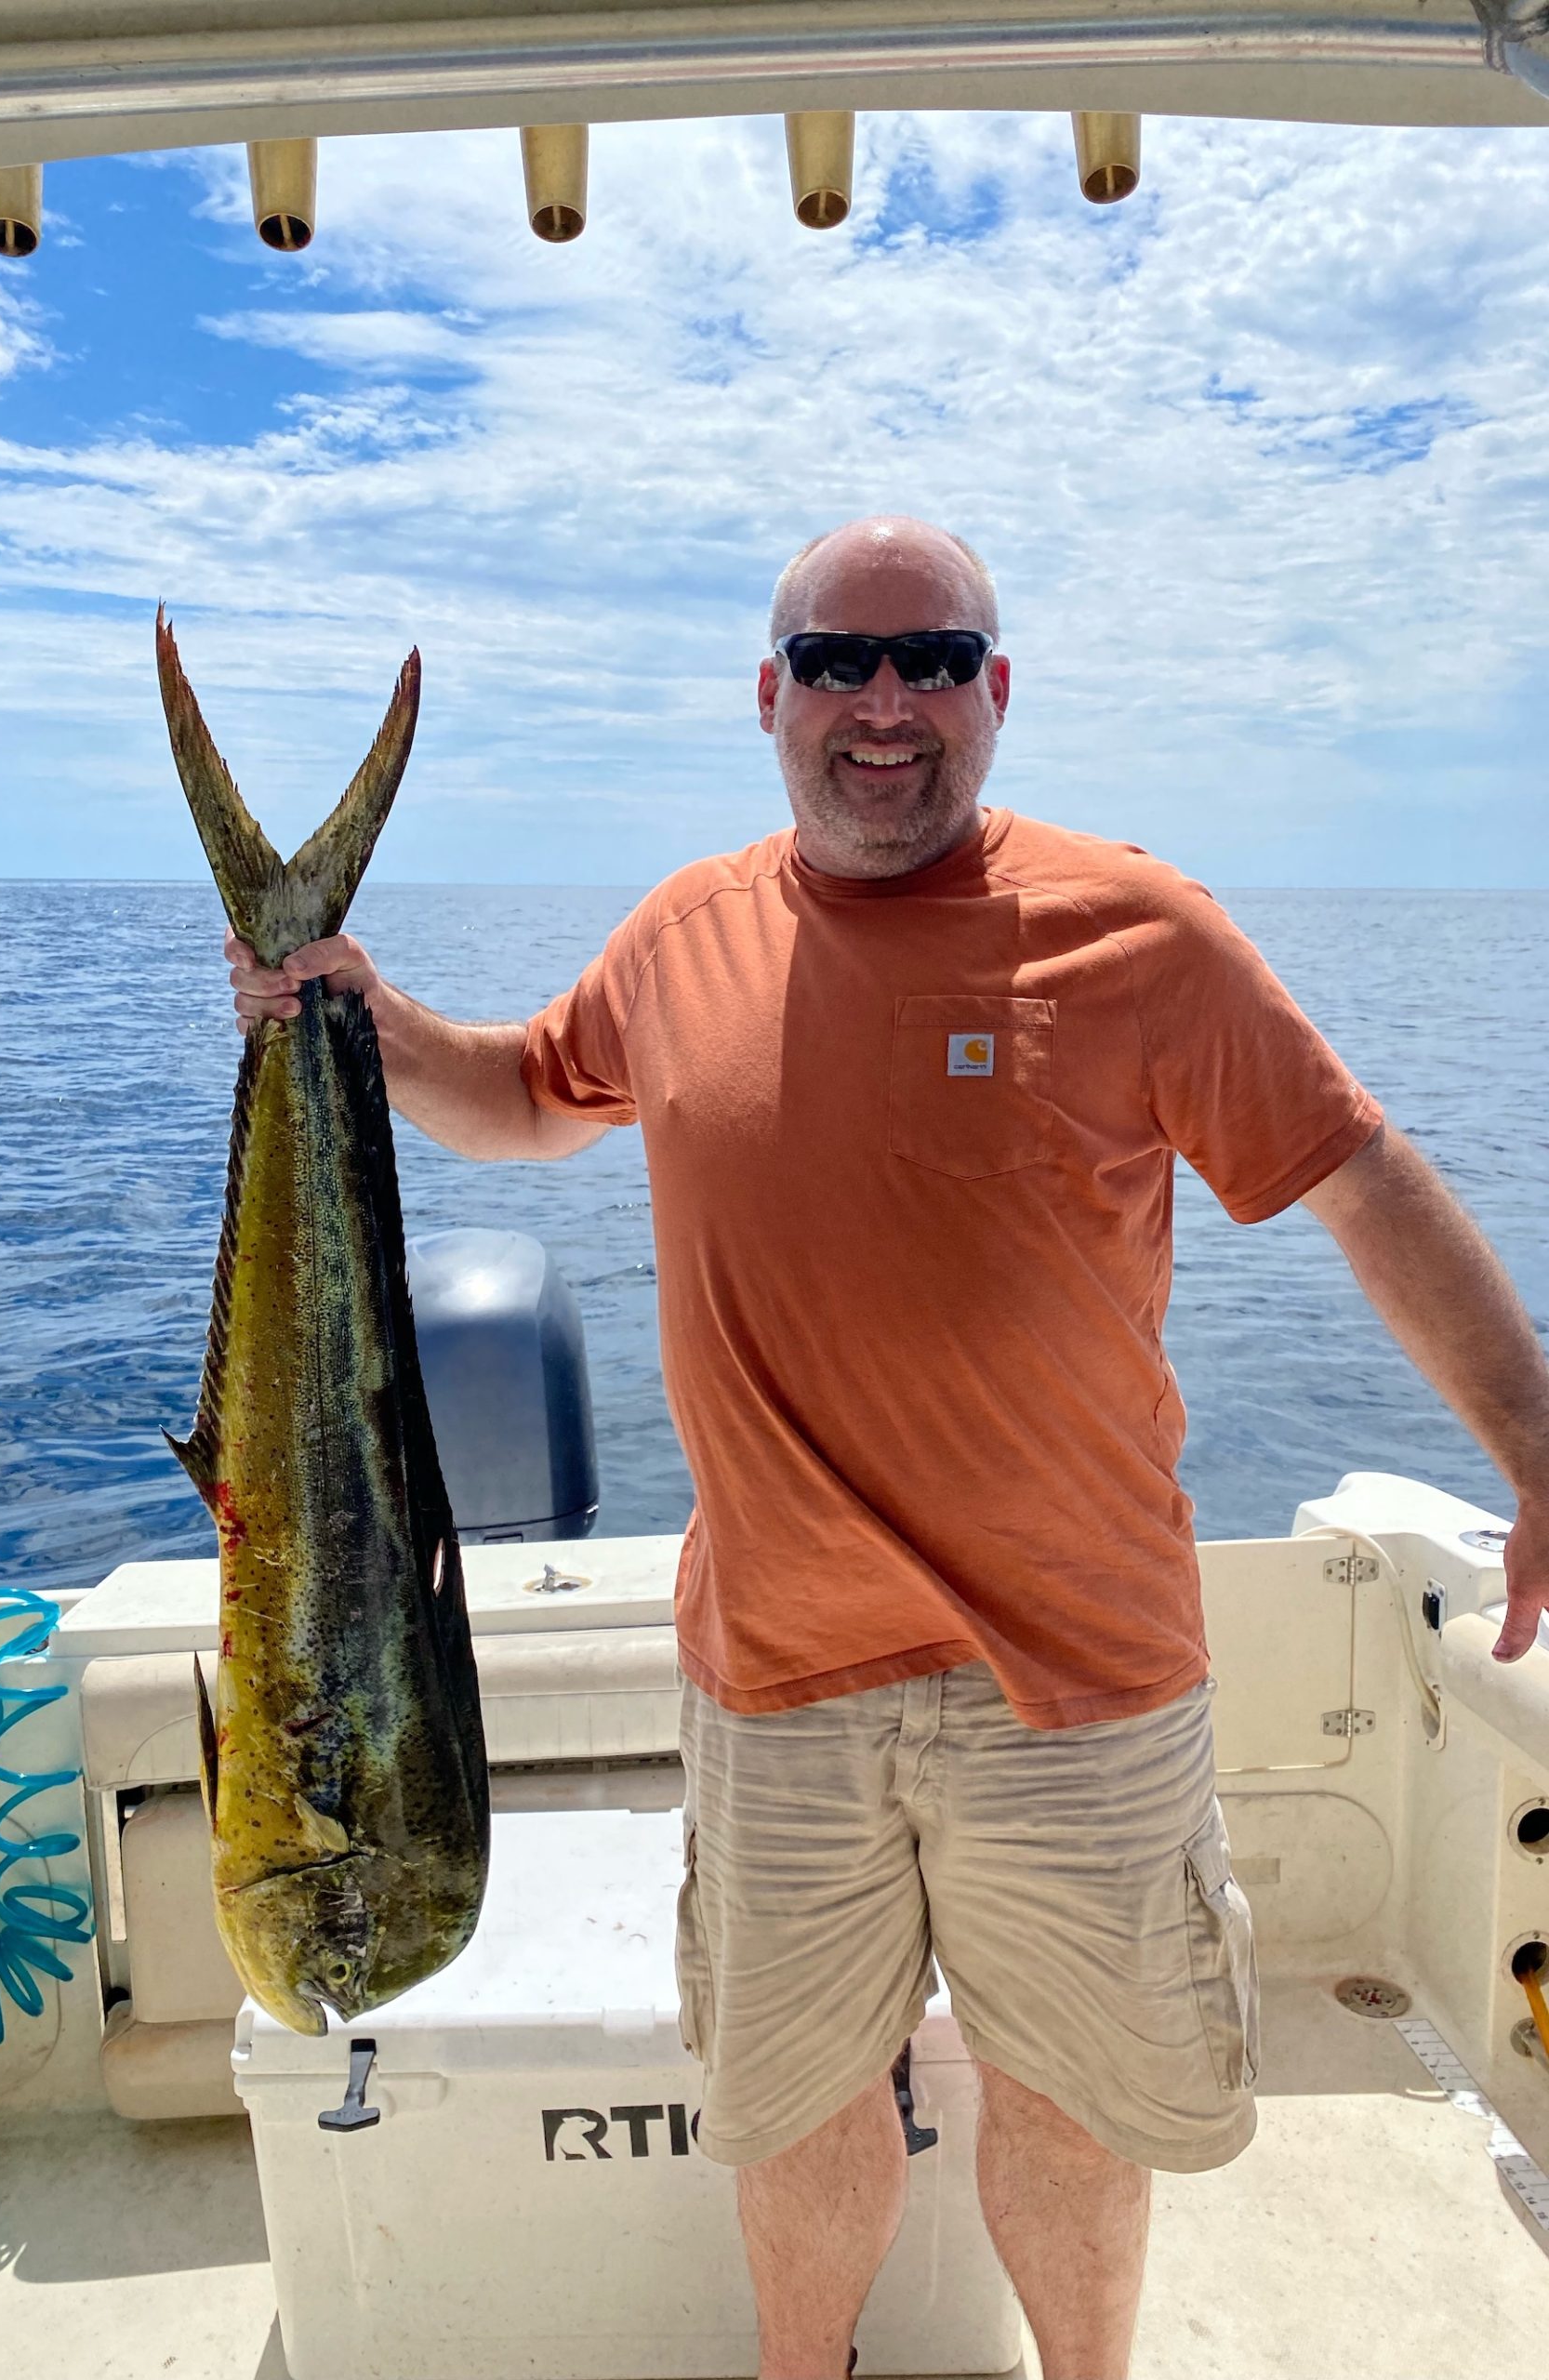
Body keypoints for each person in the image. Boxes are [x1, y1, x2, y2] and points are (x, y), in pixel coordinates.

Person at [227, 517, 1549, 2380]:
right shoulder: (683, 931)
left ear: (995, 691)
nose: (884, 700)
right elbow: (532, 1092)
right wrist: (357, 1019)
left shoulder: (1141, 931)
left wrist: (1540, 1444)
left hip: (1079, 1685)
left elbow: (1361, 1179)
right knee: (794, 2106)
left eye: (933, 657)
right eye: (838, 660)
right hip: (779, 1683)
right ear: (768, 693)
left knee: (1072, 2103)